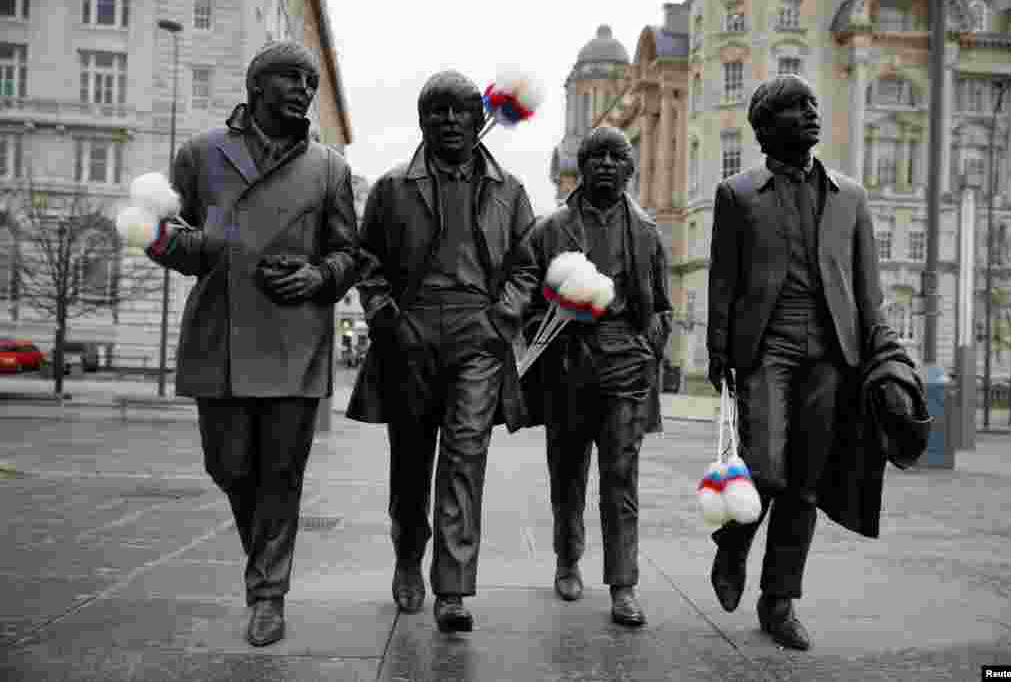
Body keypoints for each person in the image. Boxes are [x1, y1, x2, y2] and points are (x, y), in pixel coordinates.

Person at [145, 41, 364, 647]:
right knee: (229, 466)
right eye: (292, 78)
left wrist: (320, 276)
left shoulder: (329, 169)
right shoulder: (201, 154)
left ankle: (268, 595)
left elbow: (351, 253)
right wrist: (199, 247)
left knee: (281, 474)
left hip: (295, 342)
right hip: (219, 336)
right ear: (256, 86)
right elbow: (160, 229)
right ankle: (262, 565)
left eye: (310, 82)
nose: (303, 90)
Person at [345, 70, 537, 633]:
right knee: (410, 462)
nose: (449, 119)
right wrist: (387, 319)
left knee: (464, 458)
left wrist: (501, 318)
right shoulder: (390, 189)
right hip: (410, 332)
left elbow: (527, 265)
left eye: (459, 109)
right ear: (422, 120)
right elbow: (367, 261)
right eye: (437, 110)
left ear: (480, 118)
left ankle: (452, 587)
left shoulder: (511, 190)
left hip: (478, 336)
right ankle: (409, 551)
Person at [705, 74, 885, 650]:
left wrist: (882, 356)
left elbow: (868, 290)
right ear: (765, 127)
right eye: (794, 107)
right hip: (766, 349)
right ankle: (733, 546)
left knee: (805, 486)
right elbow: (723, 281)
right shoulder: (737, 194)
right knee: (765, 467)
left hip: (831, 353)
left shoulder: (850, 196)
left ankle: (779, 601)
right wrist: (718, 351)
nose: (810, 113)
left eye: (813, 103)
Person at [523, 126, 673, 627]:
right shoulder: (550, 230)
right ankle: (567, 559)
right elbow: (525, 297)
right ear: (581, 167)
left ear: (630, 169)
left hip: (624, 368)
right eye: (596, 156)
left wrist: (646, 346)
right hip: (568, 367)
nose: (606, 164)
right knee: (567, 476)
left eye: (617, 156)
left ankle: (623, 585)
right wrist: (549, 329)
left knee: (620, 480)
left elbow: (663, 309)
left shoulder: (648, 231)